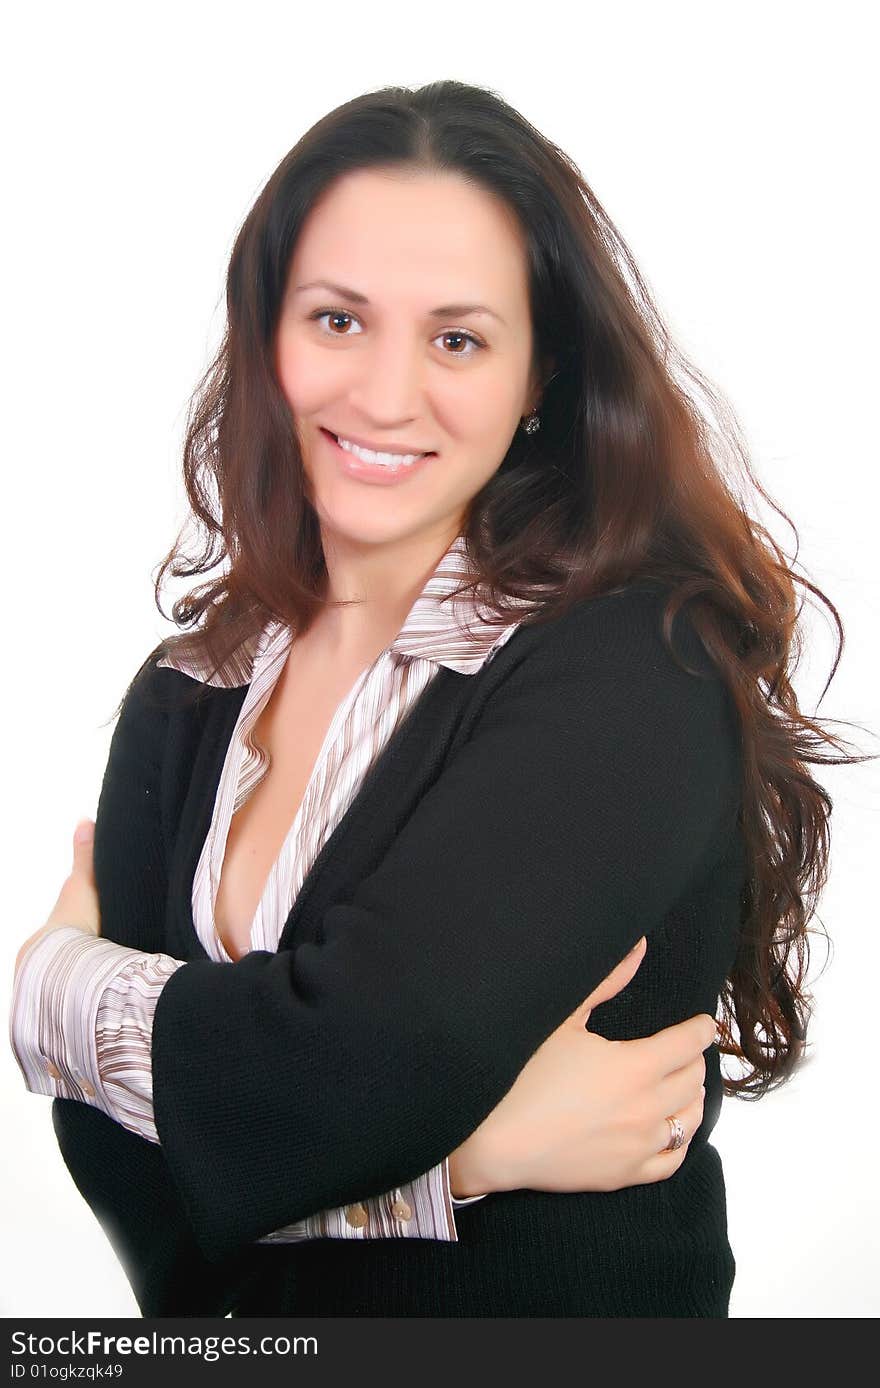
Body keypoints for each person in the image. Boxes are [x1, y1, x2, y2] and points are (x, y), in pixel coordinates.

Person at [10, 80, 860, 1319]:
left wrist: (48, 988)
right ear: (267, 334)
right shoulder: (189, 693)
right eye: (338, 320)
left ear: (536, 378)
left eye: (455, 338)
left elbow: (356, 1071)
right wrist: (465, 1160)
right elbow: (124, 1173)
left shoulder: (632, 667)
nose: (385, 394)